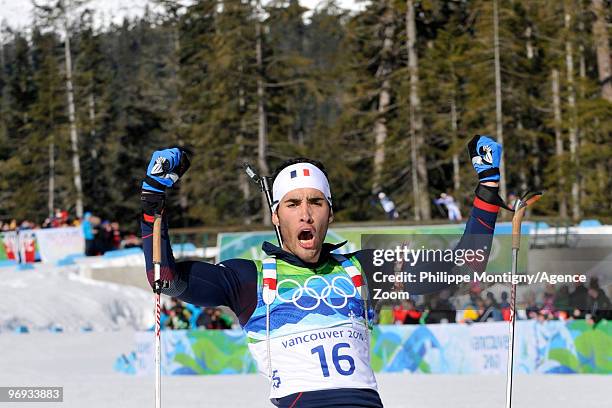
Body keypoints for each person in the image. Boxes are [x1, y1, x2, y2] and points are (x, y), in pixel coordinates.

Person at [140, 136, 506, 407]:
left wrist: (488, 189)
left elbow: (464, 264)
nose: (305, 213)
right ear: (276, 215)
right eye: (293, 203)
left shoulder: (363, 268)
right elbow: (166, 279)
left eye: (315, 202)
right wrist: (153, 199)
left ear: (329, 213)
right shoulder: (249, 278)